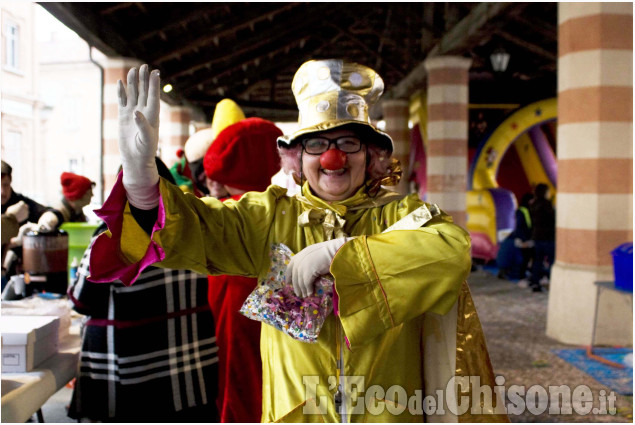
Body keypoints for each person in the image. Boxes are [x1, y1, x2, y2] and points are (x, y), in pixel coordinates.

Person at [89, 61, 507, 422]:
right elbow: (197, 228)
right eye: (317, 144)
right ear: (297, 157)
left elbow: (451, 250)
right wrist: (143, 182)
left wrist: (342, 254)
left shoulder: (399, 214)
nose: (333, 158)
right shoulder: (268, 216)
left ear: (372, 155)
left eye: (348, 142)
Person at [67, 158, 219, 422]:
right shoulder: (194, 225)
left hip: (133, 376)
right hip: (190, 373)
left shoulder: (112, 236)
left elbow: (82, 301)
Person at [202, 115, 283, 422]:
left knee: (235, 374)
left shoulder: (224, 212)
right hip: (277, 308)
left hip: (232, 305)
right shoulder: (283, 206)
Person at [496, 192, 534, 282]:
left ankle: (520, 274)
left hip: (523, 239)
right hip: (523, 239)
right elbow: (521, 227)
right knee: (523, 257)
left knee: (524, 256)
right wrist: (524, 240)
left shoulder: (525, 210)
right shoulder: (522, 211)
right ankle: (520, 275)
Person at [529, 183, 555, 292]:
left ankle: (535, 283)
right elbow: (553, 219)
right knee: (552, 261)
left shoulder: (533, 204)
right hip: (548, 237)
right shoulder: (547, 204)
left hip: (537, 236)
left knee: (537, 261)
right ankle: (552, 281)